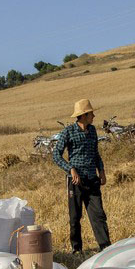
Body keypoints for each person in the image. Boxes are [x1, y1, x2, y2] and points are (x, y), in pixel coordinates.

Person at [53, 99, 110, 254]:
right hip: (76, 181)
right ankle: (76, 248)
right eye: (91, 113)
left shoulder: (92, 131)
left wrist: (102, 170)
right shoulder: (68, 132)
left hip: (92, 179)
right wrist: (70, 169)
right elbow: (56, 155)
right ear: (84, 115)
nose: (94, 115)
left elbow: (96, 153)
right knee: (75, 217)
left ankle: (105, 247)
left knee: (98, 215)